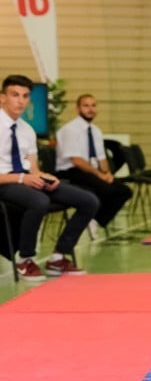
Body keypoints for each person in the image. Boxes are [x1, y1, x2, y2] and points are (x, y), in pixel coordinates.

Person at [0, 74, 98, 281]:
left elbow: (33, 168)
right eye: (15, 95)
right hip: (5, 181)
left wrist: (44, 177)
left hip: (25, 179)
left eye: (25, 96)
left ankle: (58, 256)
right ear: (2, 98)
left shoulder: (27, 130)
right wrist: (21, 179)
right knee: (39, 201)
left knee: (89, 201)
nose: (21, 101)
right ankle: (25, 259)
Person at [54, 93, 133, 232]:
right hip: (70, 172)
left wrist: (107, 173)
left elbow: (101, 158)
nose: (90, 109)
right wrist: (99, 175)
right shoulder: (69, 130)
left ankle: (95, 219)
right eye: (86, 106)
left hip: (90, 171)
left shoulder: (96, 131)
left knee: (124, 191)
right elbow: (76, 160)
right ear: (78, 109)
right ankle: (88, 217)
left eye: (93, 105)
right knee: (106, 189)